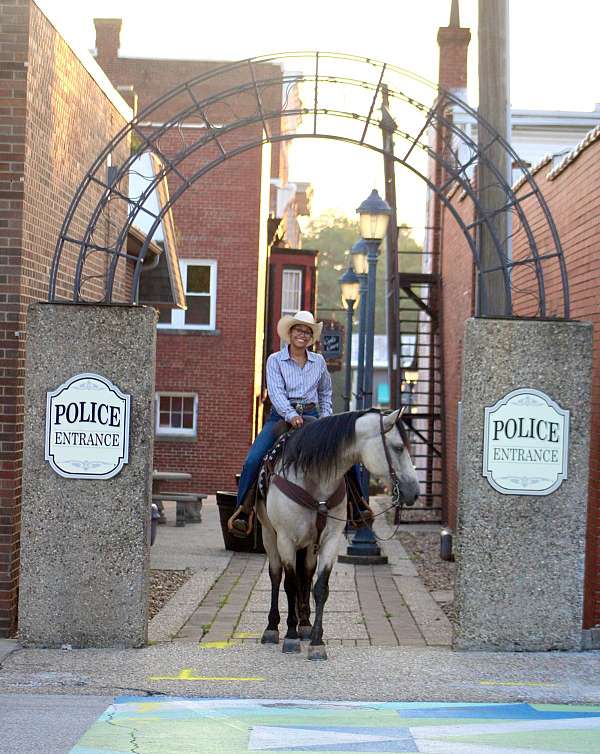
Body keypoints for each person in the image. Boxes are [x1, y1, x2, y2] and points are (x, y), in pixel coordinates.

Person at [228, 310, 332, 536]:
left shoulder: (319, 362)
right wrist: (290, 414)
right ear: (290, 333)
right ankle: (243, 511)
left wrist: (325, 419)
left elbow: (325, 393)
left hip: (312, 417)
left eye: (307, 331)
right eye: (298, 330)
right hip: (280, 417)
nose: (302, 335)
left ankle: (358, 508)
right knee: (253, 459)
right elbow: (275, 393)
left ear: (311, 336)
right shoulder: (275, 360)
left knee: (343, 453)